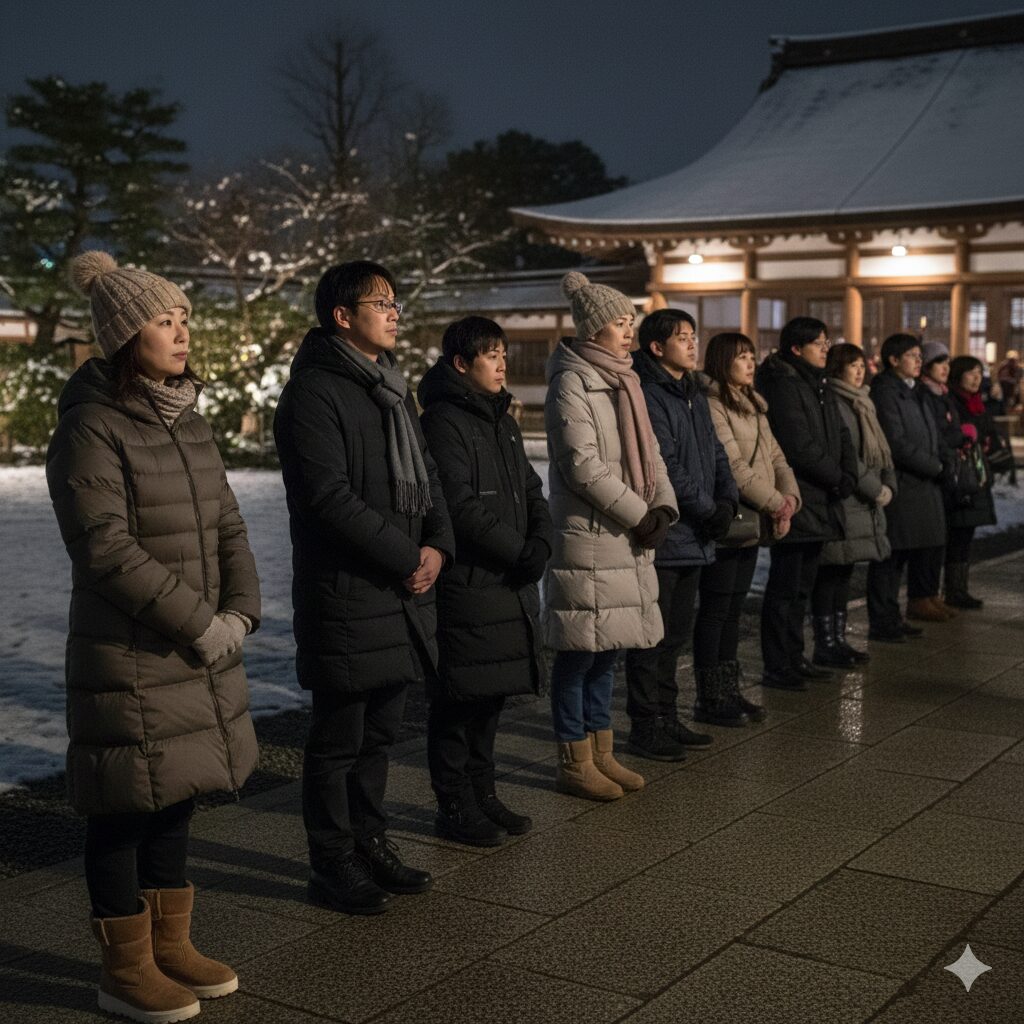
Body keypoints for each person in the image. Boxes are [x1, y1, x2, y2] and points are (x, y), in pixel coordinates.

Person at [48, 252, 260, 1023]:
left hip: (197, 647)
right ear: (124, 337)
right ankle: (125, 969)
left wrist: (240, 611)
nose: (181, 333)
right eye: (163, 322)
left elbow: (228, 523)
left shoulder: (188, 419)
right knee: (123, 807)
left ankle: (172, 946)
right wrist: (199, 622)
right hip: (132, 653)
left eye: (183, 320)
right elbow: (104, 548)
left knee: (178, 794)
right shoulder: (91, 426)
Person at [274, 261, 454, 915]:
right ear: (342, 316)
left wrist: (438, 544)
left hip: (399, 591)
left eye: (395, 301)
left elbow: (428, 476)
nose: (394, 312)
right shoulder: (314, 392)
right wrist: (407, 554)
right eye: (381, 303)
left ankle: (370, 841)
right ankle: (332, 860)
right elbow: (327, 497)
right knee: (338, 738)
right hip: (347, 589)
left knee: (380, 733)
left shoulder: (392, 390)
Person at [417, 316, 553, 846]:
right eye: (491, 355)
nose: (502, 364)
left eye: (503, 354)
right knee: (459, 700)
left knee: (490, 697)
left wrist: (540, 541)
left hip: (506, 580)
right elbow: (459, 504)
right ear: (461, 363)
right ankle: (453, 804)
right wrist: (519, 552)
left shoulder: (502, 420)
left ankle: (484, 793)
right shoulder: (443, 420)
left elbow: (531, 488)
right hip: (469, 581)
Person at [544, 272, 678, 800]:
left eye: (630, 322)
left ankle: (602, 753)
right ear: (593, 328)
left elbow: (652, 454)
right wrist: (640, 514)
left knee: (608, 650)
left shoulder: (627, 380)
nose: (629, 332)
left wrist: (662, 506)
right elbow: (582, 465)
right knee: (579, 651)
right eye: (620, 323)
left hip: (627, 534)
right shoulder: (571, 381)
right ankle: (573, 760)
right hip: (592, 536)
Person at [624, 310, 737, 761]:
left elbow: (716, 452)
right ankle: (645, 724)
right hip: (670, 533)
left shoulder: (693, 391)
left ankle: (668, 716)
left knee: (675, 636)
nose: (693, 345)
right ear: (657, 348)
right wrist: (709, 509)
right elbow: (665, 465)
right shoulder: (650, 393)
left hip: (698, 534)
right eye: (682, 338)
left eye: (694, 336)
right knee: (651, 637)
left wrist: (727, 500)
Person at [754, 317, 857, 690]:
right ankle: (778, 663)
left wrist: (847, 473)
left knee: (803, 585)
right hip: (798, 495)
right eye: (819, 343)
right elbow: (798, 444)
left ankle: (795, 656)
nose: (826, 349)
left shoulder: (817, 382)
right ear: (796, 349)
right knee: (786, 585)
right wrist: (836, 477)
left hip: (822, 495)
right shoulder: (783, 384)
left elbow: (841, 433)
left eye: (827, 342)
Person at [704, 332, 800, 717]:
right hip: (731, 518)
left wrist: (789, 498)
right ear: (722, 361)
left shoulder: (754, 404)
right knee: (716, 610)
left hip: (754, 518)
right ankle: (710, 696)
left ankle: (729, 689)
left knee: (734, 609)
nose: (750, 363)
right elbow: (733, 466)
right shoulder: (713, 404)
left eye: (751, 356)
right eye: (742, 357)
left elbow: (777, 457)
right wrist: (776, 504)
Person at [813, 344, 897, 665]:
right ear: (837, 368)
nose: (860, 371)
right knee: (831, 572)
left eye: (862, 365)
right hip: (847, 497)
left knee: (845, 573)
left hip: (864, 502)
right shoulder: (835, 402)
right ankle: (826, 643)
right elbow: (847, 455)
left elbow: (882, 451)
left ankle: (839, 639)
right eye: (853, 365)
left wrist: (888, 484)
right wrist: (875, 489)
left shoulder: (863, 401)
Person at [866, 334, 947, 642]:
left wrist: (940, 461)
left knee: (903, 554)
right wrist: (934, 466)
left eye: (919, 356)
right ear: (893, 360)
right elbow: (896, 442)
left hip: (919, 483)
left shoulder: (912, 391)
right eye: (912, 355)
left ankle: (893, 617)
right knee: (890, 557)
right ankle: (882, 620)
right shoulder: (886, 392)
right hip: (902, 484)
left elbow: (929, 433)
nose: (918, 360)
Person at [919, 342, 974, 614]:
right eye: (940, 363)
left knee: (943, 538)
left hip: (948, 470)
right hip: (935, 470)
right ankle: (924, 596)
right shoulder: (925, 395)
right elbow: (939, 433)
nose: (945, 368)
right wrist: (959, 437)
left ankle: (935, 594)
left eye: (947, 363)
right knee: (930, 539)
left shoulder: (942, 394)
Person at [946, 355, 1003, 607]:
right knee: (957, 534)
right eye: (971, 372)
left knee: (966, 535)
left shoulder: (978, 403)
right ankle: (952, 590)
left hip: (976, 475)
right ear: (958, 375)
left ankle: (960, 589)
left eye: (979, 372)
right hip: (961, 477)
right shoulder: (952, 401)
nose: (976, 377)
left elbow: (989, 433)